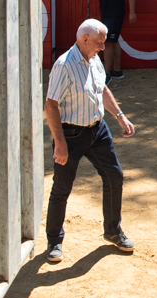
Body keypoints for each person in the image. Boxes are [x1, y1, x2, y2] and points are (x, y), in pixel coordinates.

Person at [44, 19, 137, 263]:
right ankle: (54, 240)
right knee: (62, 188)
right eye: (99, 43)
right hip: (70, 135)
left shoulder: (94, 59)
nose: (103, 48)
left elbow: (102, 90)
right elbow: (51, 105)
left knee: (114, 176)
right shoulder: (64, 65)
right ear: (85, 40)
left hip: (98, 130)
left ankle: (113, 231)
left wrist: (120, 116)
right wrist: (60, 143)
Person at [86, 0, 136, 81]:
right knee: (113, 41)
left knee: (107, 42)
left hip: (116, 13)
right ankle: (117, 71)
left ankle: (106, 74)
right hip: (105, 13)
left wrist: (132, 12)